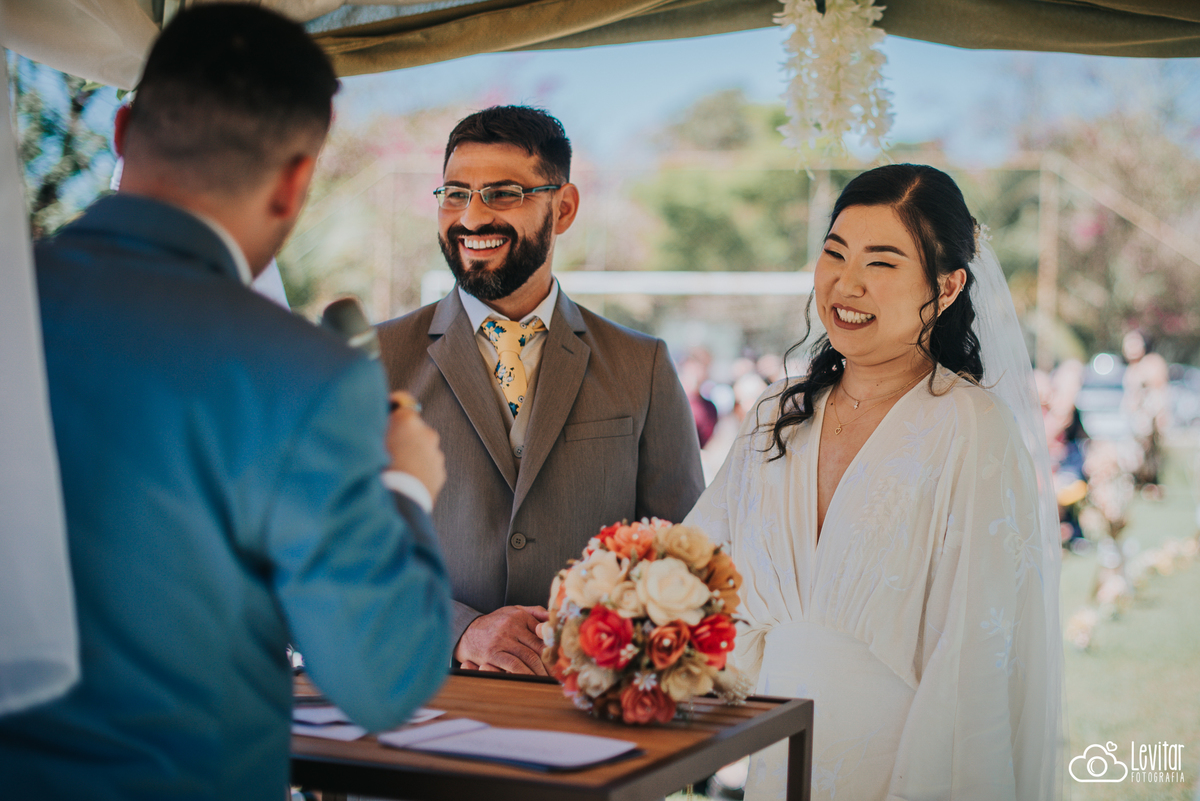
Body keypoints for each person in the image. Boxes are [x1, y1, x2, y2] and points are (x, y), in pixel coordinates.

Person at [0, 6, 453, 798]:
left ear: (123, 127)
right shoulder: (301, 376)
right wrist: (404, 486)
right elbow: (380, 679)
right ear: (293, 182)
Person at [685, 164, 1062, 800]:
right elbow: (694, 564)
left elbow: (975, 653)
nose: (846, 282)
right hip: (777, 757)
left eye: (881, 263)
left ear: (945, 289)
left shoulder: (971, 426)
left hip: (907, 763)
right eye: (834, 252)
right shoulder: (779, 415)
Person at [377, 106, 704, 675]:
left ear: (565, 206)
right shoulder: (372, 361)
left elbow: (680, 553)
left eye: (502, 194)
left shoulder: (641, 365)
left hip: (588, 704)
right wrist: (462, 631)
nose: (471, 217)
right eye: (455, 193)